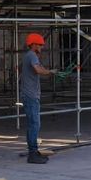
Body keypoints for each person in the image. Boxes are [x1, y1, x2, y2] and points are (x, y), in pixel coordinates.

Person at [21, 33, 55, 164]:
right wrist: (50, 72)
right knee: (34, 124)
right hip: (30, 96)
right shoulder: (31, 55)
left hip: (30, 95)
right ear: (34, 44)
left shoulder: (31, 56)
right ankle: (33, 153)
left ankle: (34, 151)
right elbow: (38, 70)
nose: (41, 47)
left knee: (33, 124)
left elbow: (39, 67)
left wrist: (48, 70)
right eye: (40, 45)